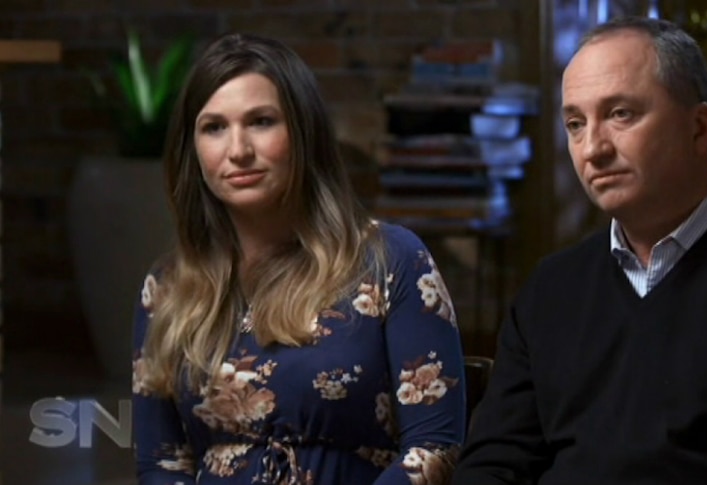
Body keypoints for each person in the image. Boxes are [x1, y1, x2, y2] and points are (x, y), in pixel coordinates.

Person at [453, 16, 707, 485]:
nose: (593, 149)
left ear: (700, 127)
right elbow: (491, 468)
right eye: (575, 123)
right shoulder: (549, 291)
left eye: (621, 114)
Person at [131, 33, 466, 485]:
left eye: (261, 121)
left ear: (303, 132)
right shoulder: (168, 286)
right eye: (214, 127)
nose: (238, 150)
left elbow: (434, 452)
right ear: (193, 150)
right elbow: (161, 463)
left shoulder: (391, 260)